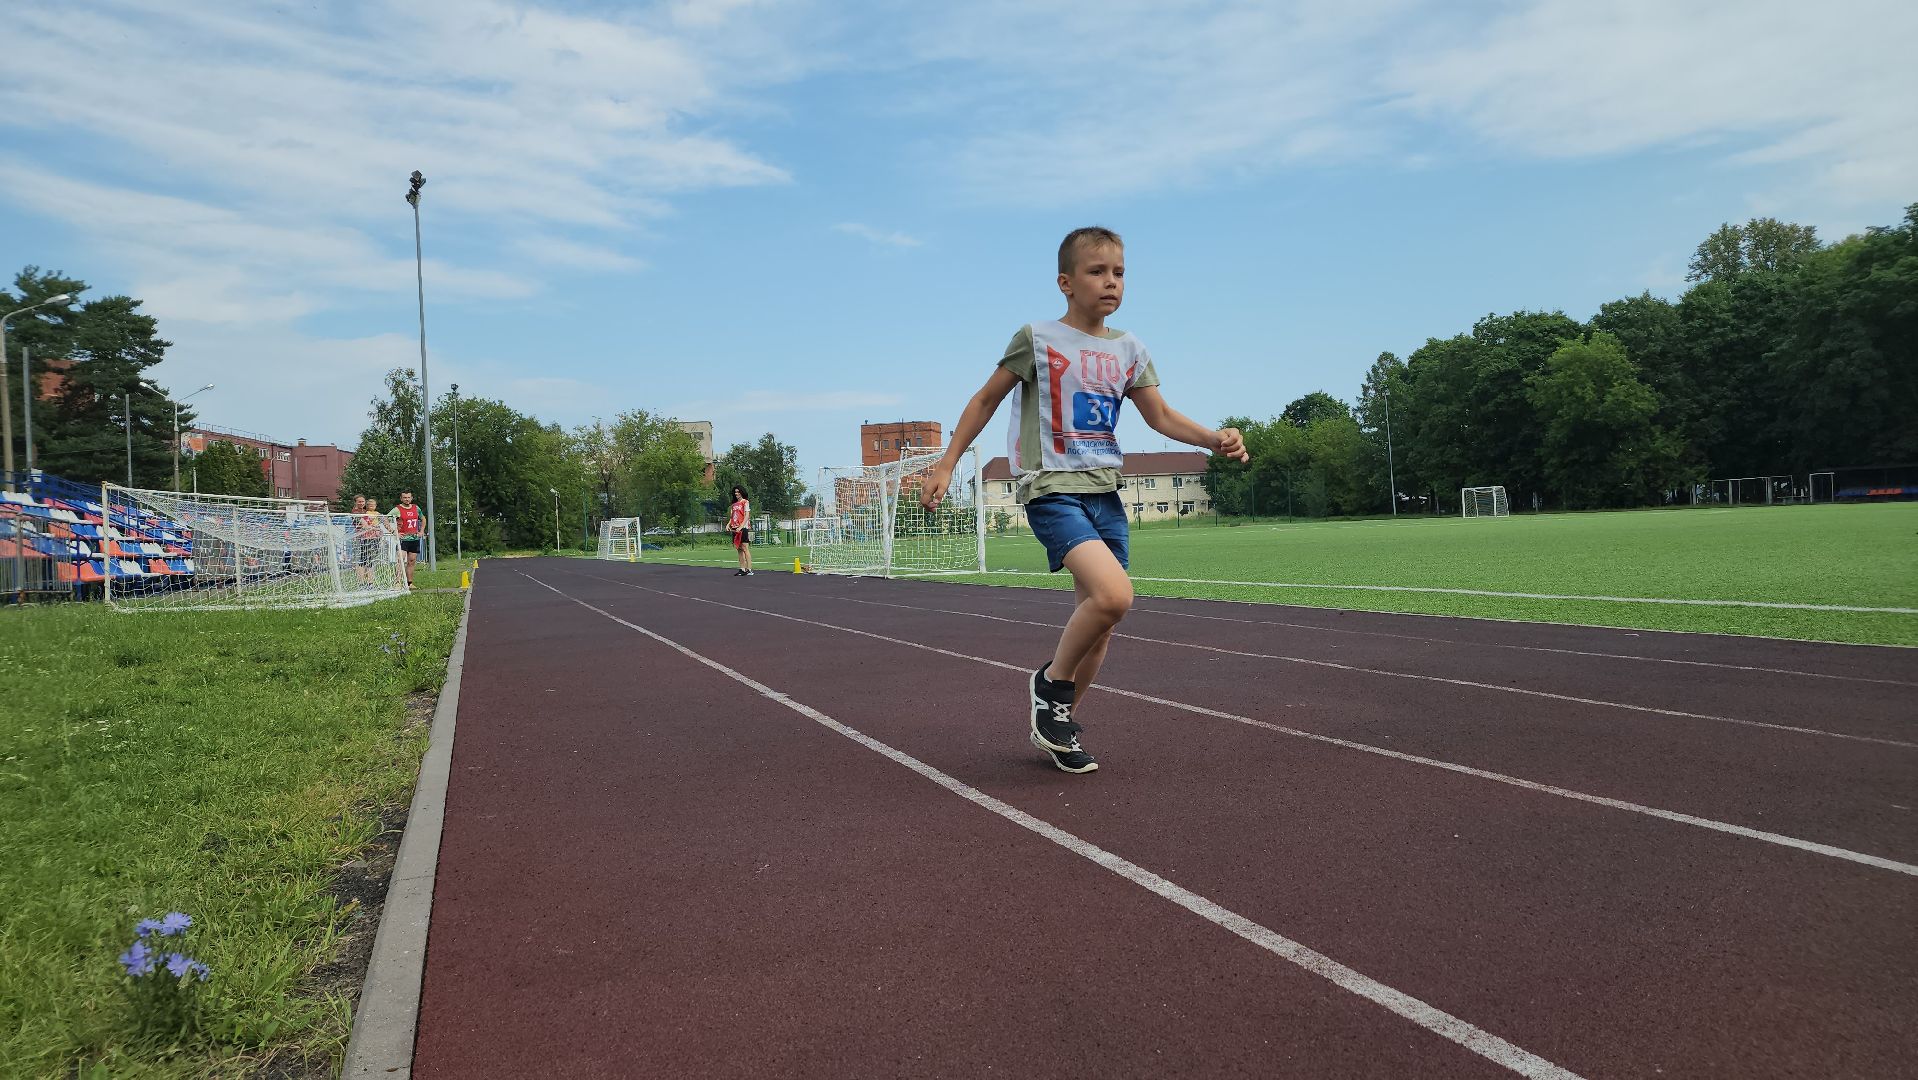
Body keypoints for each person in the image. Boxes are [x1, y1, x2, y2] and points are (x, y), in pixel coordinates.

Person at [918, 226, 1246, 774]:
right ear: (1066, 283)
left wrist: (1214, 437)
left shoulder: (1130, 349)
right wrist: (948, 462)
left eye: (1119, 273)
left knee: (1099, 622)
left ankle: (1058, 724)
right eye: (1097, 272)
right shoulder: (1037, 339)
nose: (1111, 282)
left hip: (1105, 492)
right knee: (1115, 596)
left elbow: (1160, 417)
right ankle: (1048, 686)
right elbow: (985, 399)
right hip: (1051, 488)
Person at [386, 490, 423, 589]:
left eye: (408, 497)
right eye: (404, 497)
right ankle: (397, 582)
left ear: (411, 498)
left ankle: (409, 583)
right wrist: (394, 531)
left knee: (411, 561)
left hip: (414, 538)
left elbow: (423, 518)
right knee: (400, 560)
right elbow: (385, 519)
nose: (407, 499)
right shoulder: (397, 509)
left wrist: (421, 531)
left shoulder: (416, 508)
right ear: (401, 498)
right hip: (403, 539)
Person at [727, 485, 754, 576]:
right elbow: (732, 517)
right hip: (735, 528)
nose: (737, 494)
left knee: (745, 548)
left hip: (743, 528)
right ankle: (742, 569)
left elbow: (746, 515)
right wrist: (728, 524)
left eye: (738, 492)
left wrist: (741, 526)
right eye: (735, 492)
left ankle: (749, 569)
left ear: (742, 492)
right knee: (739, 548)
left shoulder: (745, 502)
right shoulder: (734, 505)